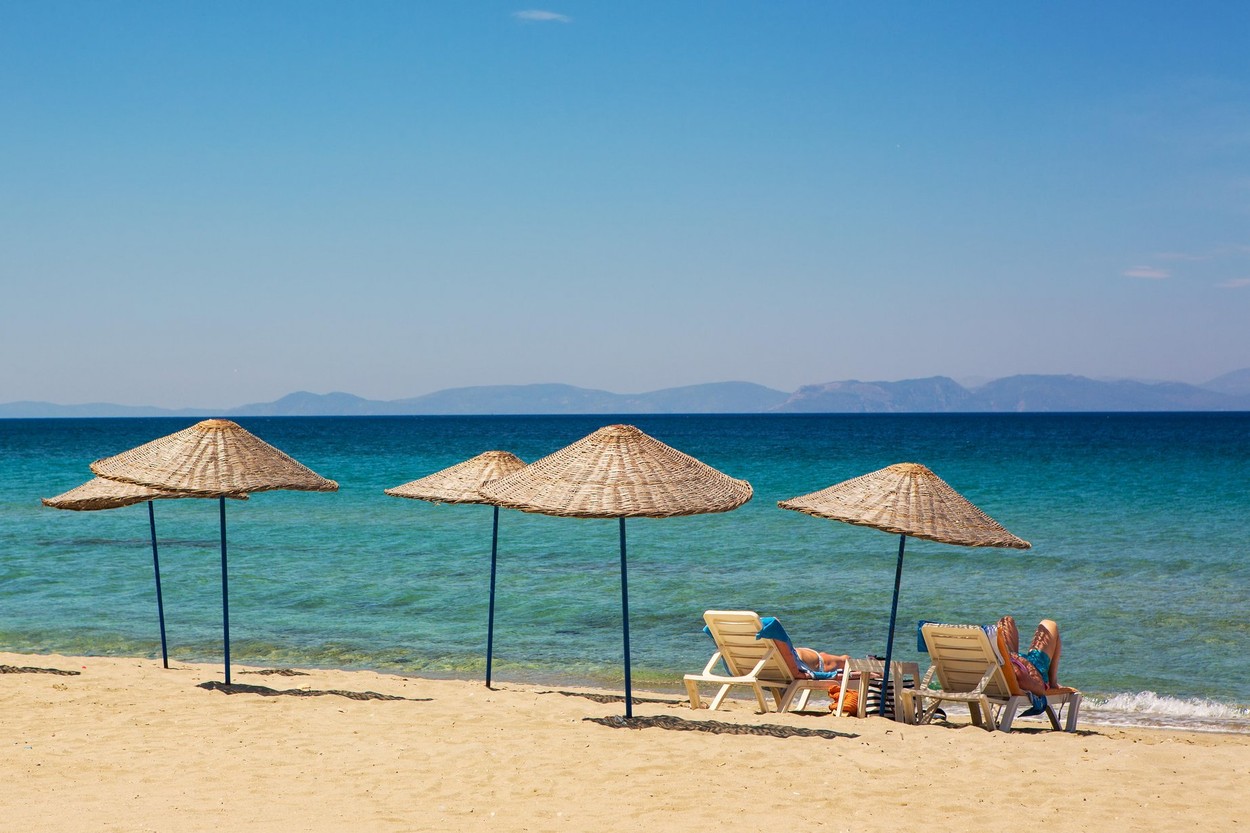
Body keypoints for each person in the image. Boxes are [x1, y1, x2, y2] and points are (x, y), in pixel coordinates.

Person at [997, 615, 1062, 696]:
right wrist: (1025, 663)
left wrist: (1015, 657)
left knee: (1006, 620)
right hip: (1032, 672)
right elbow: (1039, 688)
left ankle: (1052, 681)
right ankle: (1052, 682)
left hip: (1006, 663)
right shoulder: (1018, 674)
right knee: (1049, 624)